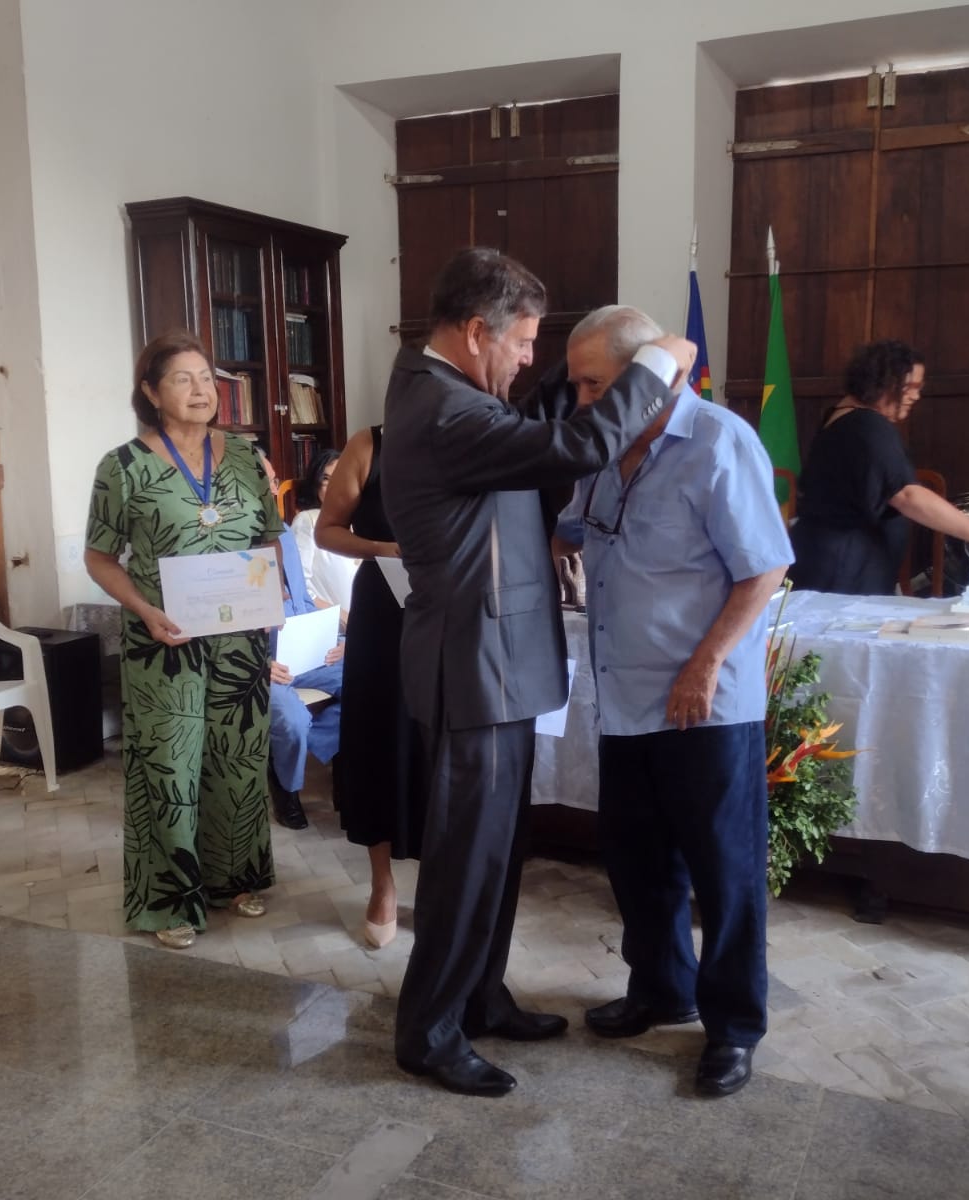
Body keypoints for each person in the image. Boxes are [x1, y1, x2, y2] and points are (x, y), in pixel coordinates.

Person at [382, 246, 695, 1097]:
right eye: (522, 342)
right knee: (465, 862)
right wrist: (657, 363)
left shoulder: (452, 391)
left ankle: (479, 997)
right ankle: (429, 1032)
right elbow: (580, 443)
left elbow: (535, 438)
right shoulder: (442, 407)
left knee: (496, 852)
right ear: (474, 331)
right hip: (471, 666)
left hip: (497, 662)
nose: (529, 360)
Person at [553, 306, 793, 1098]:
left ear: (646, 375)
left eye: (595, 384)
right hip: (624, 697)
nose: (584, 400)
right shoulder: (602, 448)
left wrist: (707, 661)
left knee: (725, 874)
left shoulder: (719, 441)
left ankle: (733, 1029)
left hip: (702, 703)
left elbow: (764, 568)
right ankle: (661, 990)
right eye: (579, 385)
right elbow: (570, 530)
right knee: (638, 862)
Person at [84, 330, 280, 950]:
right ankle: (169, 900)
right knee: (169, 768)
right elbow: (99, 557)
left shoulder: (246, 456)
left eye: (206, 378)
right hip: (164, 641)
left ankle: (234, 880)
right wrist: (143, 609)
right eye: (181, 379)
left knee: (238, 760)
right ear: (150, 392)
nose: (200, 390)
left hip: (240, 641)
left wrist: (269, 599)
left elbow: (269, 538)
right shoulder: (122, 467)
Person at [787, 340, 969, 595]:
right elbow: (908, 495)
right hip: (843, 574)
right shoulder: (868, 426)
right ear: (881, 381)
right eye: (911, 387)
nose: (916, 396)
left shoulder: (841, 418)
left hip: (830, 566)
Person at [314, 426, 414, 949]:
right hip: (383, 606)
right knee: (378, 737)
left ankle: (441, 883)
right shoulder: (371, 444)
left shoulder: (475, 433)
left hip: (456, 608)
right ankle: (382, 884)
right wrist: (381, 547)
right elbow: (326, 531)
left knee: (440, 746)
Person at [259, 452, 344, 832]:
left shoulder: (282, 534)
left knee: (375, 679)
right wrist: (258, 665)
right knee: (291, 719)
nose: (269, 489)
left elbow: (304, 601)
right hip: (260, 664)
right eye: (259, 480)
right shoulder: (221, 543)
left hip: (306, 652)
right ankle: (287, 786)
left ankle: (307, 750)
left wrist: (334, 639)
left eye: (272, 481)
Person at [290, 450, 358, 615]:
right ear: (315, 484)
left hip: (367, 620)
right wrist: (343, 617)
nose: (334, 485)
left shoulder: (361, 522)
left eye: (340, 477)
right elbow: (298, 587)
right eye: (326, 479)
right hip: (333, 624)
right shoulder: (307, 520)